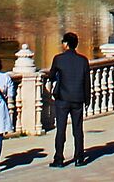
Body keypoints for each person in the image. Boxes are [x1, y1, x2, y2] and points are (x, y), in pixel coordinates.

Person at [46, 31, 90, 168]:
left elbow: (51, 75)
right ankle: (79, 158)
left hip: (63, 99)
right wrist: (87, 99)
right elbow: (87, 82)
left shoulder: (58, 59)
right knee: (78, 129)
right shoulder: (83, 60)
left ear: (65, 44)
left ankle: (59, 159)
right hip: (78, 98)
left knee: (61, 129)